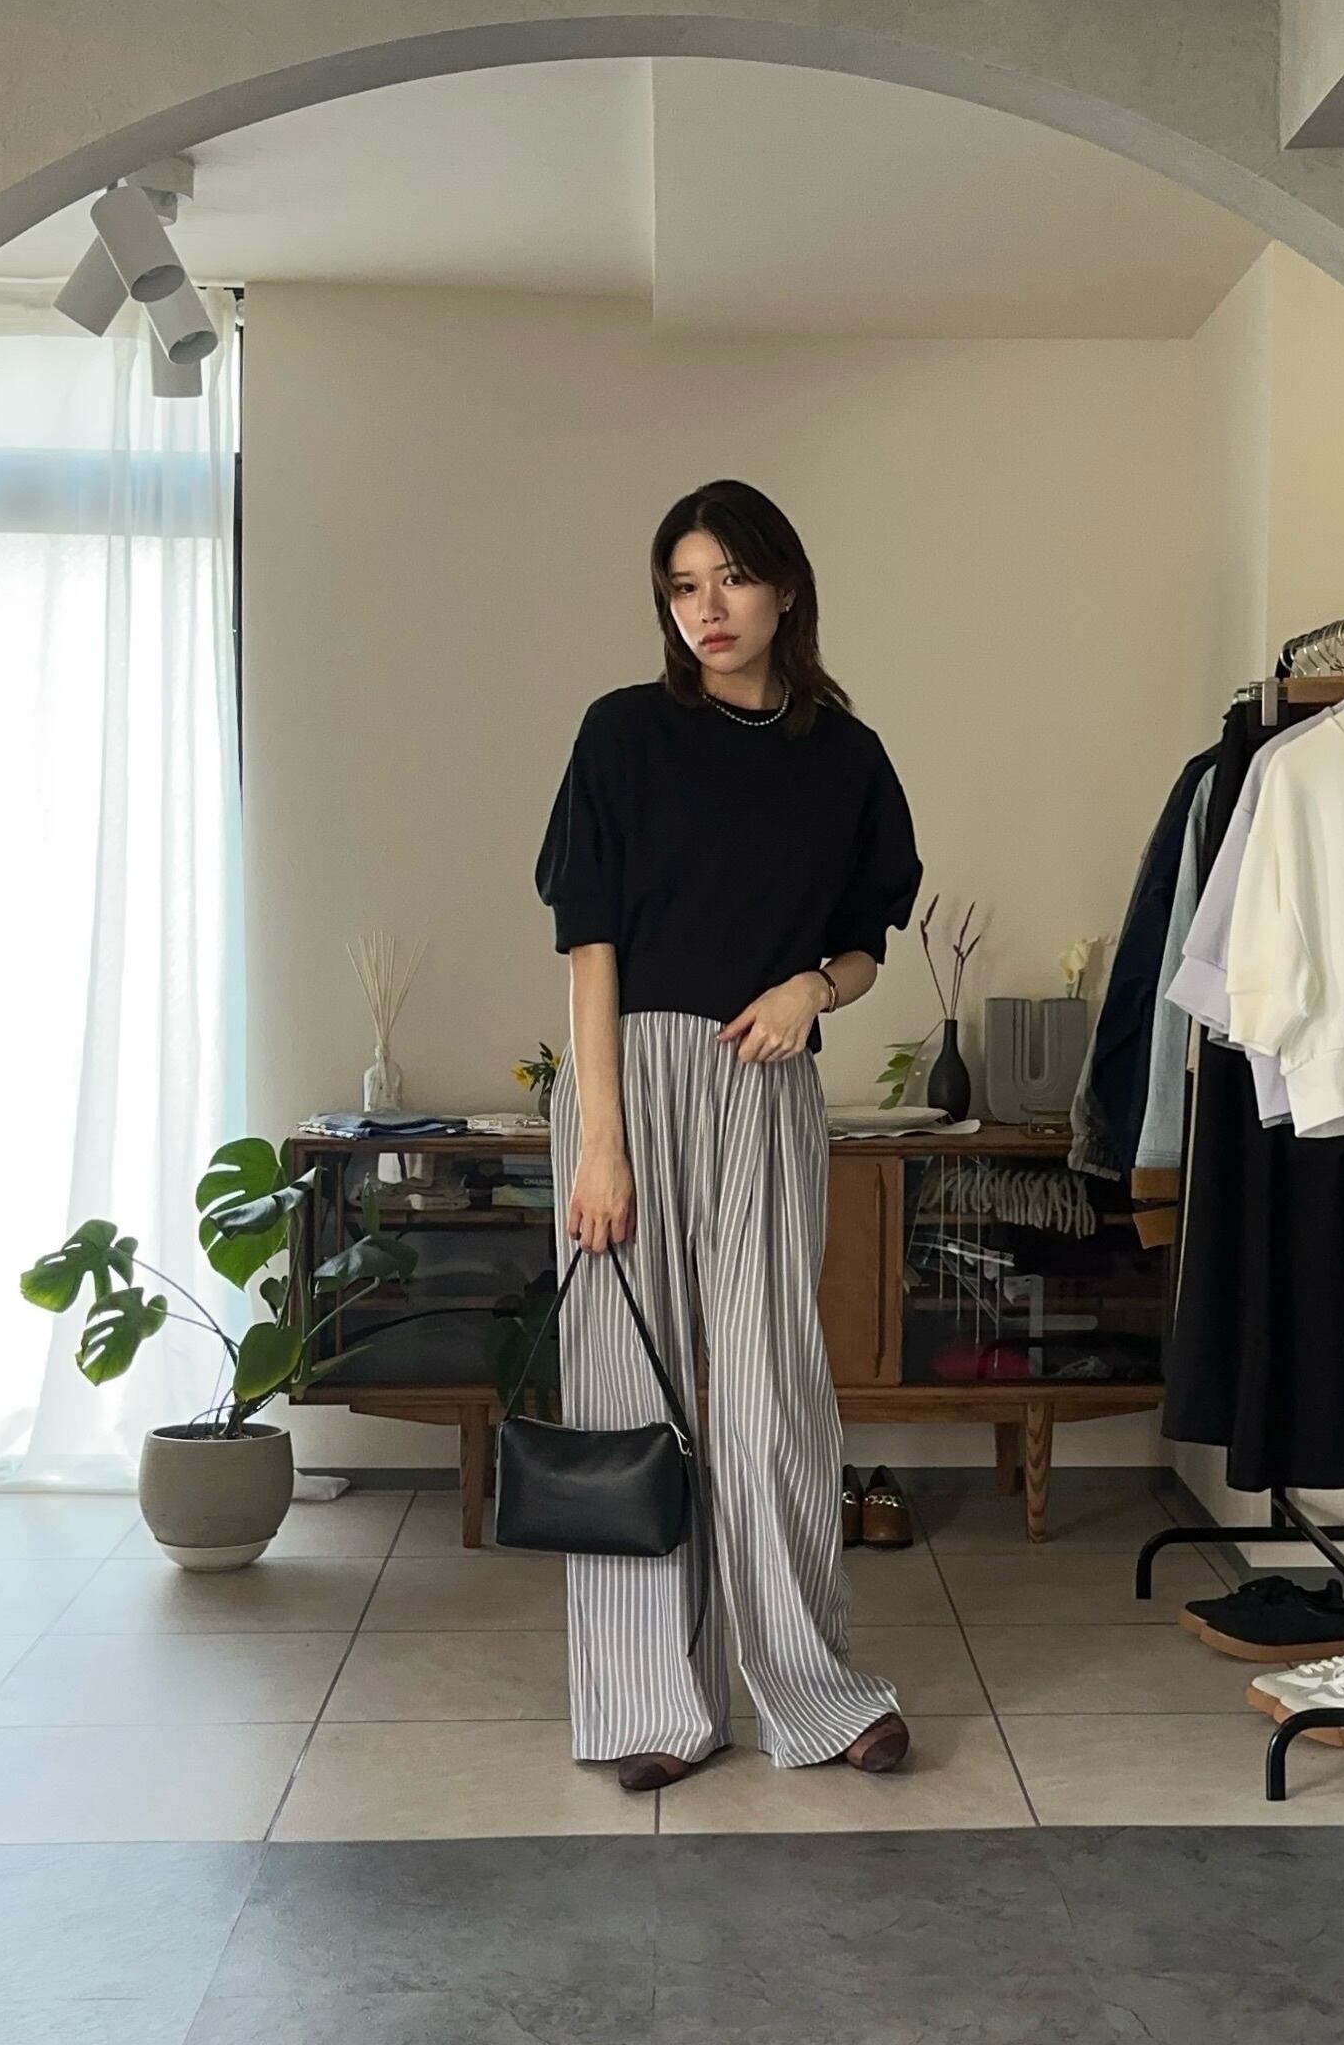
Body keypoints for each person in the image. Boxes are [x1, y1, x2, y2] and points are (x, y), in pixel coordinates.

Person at [534, 476, 924, 1792]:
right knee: (623, 1391)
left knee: (772, 1394)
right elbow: (589, 943)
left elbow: (866, 942)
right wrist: (601, 1138)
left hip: (764, 1084)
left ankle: (815, 1691)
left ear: (785, 588)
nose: (708, 608)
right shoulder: (622, 734)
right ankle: (652, 1699)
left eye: (733, 580)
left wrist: (815, 990)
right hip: (627, 1080)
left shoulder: (846, 759)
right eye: (684, 585)